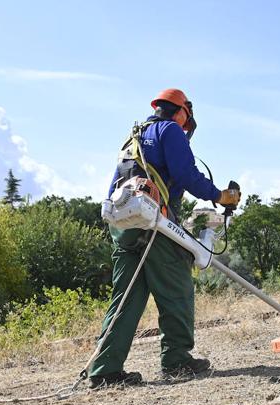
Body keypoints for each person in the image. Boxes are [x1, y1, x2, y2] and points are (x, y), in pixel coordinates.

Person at [86, 88, 240, 388]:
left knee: (126, 296)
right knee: (177, 287)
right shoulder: (170, 130)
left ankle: (104, 368)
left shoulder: (133, 137)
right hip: (154, 222)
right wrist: (219, 196)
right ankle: (177, 360)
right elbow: (187, 175)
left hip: (123, 224)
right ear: (182, 111)